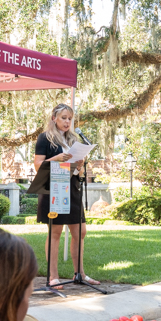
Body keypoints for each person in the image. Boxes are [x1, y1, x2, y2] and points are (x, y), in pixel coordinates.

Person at [33, 103, 98, 285]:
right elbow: (38, 165)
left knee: (80, 231)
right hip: (54, 188)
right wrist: (56, 159)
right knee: (55, 231)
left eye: (70, 118)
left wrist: (79, 166)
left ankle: (80, 274)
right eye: (63, 118)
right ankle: (53, 277)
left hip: (73, 187)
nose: (67, 121)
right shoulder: (45, 138)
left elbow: (79, 172)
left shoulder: (73, 140)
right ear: (54, 118)